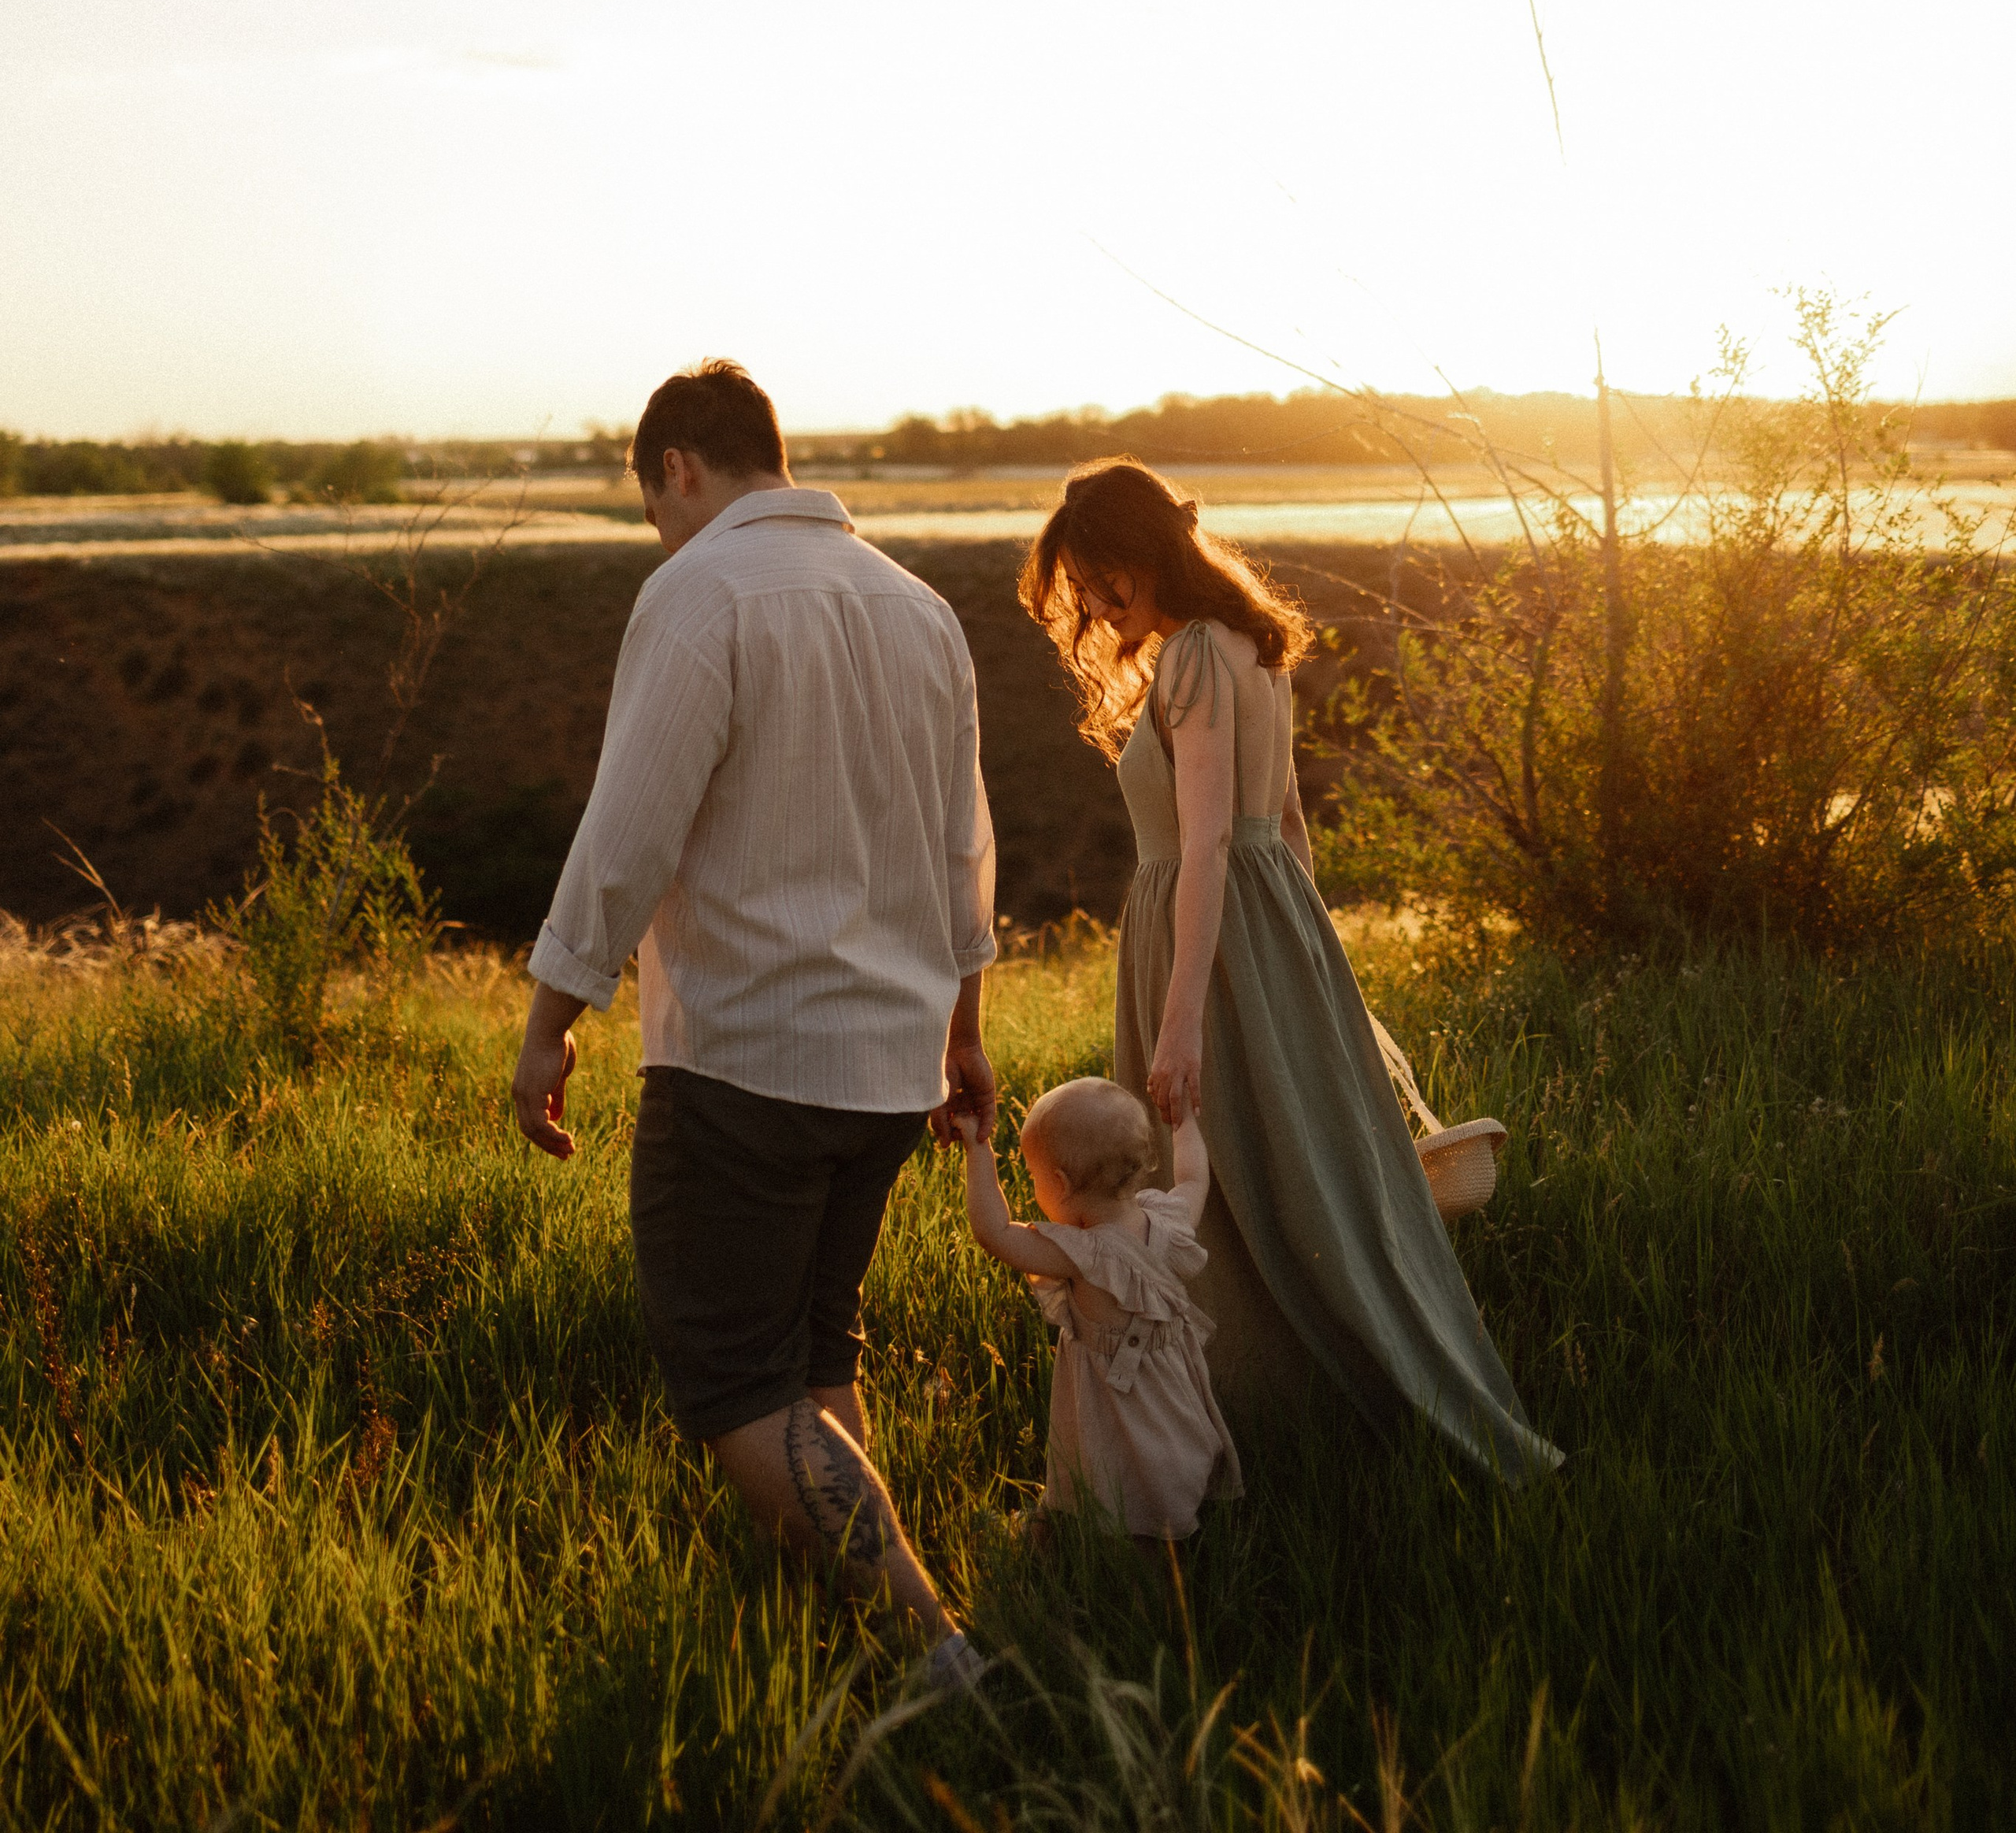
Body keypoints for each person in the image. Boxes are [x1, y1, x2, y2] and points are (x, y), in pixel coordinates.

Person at [510, 358, 998, 1686]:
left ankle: (938, 1653)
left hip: (747, 1060)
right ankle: (869, 1651)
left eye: (653, 507)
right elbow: (965, 847)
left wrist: (553, 1017)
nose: (660, 534)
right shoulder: (918, 608)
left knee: (732, 1382)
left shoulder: (702, 591)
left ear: (678, 467)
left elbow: (628, 833)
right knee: (814, 1361)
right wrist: (962, 1029)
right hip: (888, 1067)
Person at [1020, 458, 1561, 1487]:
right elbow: (1290, 831)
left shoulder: (1193, 657)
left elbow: (1210, 843)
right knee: (1285, 1173)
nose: (1091, 603)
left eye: (1098, 577)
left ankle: (1233, 1430)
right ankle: (1275, 1419)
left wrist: (1183, 1019)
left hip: (1208, 943)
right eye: (1078, 586)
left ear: (1145, 553)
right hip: (1260, 934)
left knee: (1222, 1187)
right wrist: (1309, 968)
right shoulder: (1249, 648)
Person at [955, 1075, 1241, 1541]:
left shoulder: (1082, 1255)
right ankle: (1158, 1534)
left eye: (1033, 1175)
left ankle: (1090, 1541)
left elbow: (995, 1233)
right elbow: (1193, 1177)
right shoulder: (1170, 1222)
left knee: (1103, 1464)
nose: (1032, 1185)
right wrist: (1184, 1119)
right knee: (1164, 1463)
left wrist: (978, 1149)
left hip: (1110, 1396)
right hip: (1171, 1386)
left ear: (1061, 1184)